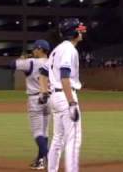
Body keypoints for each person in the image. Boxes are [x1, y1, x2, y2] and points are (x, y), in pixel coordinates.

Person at [38, 18, 86, 172]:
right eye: (79, 29)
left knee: (58, 138)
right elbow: (64, 76)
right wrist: (72, 103)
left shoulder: (57, 49)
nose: (81, 31)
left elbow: (43, 73)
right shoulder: (69, 49)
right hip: (65, 96)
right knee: (73, 139)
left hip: (55, 98)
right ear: (74, 33)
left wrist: (44, 92)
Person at [11, 40, 51, 170]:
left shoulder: (31, 62)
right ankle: (40, 161)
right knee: (44, 132)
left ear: (40, 49)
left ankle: (50, 159)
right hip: (50, 98)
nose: (33, 51)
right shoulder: (53, 62)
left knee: (37, 133)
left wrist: (22, 59)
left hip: (36, 99)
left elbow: (12, 64)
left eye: (35, 49)